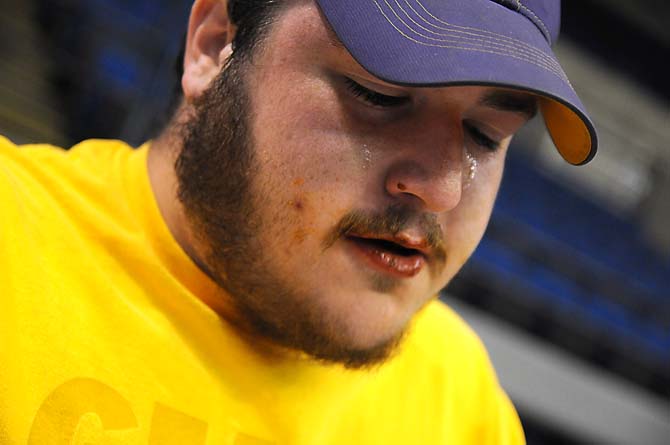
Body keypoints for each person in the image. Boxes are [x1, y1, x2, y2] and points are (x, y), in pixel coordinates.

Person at [0, 0, 597, 443]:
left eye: (485, 136)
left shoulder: (458, 401)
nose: (441, 189)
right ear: (213, 47)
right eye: (379, 96)